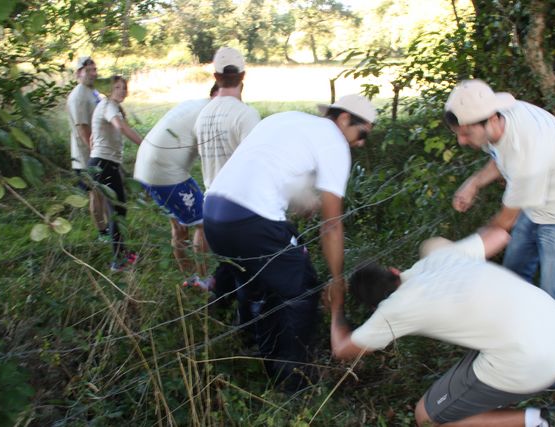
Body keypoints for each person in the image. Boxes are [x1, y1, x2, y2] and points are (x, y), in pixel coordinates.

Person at [202, 94, 376, 390]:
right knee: (302, 288)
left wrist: (299, 200)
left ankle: (251, 352)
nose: (361, 143)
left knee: (255, 280)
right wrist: (335, 280)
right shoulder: (334, 143)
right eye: (362, 134)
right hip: (251, 220)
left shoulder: (287, 119)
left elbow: (265, 168)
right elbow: (332, 225)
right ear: (345, 119)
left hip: (214, 214)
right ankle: (293, 381)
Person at [444, 79, 555, 390]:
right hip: (537, 208)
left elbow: (503, 223)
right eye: (459, 134)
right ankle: (515, 342)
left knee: (554, 295)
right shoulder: (502, 121)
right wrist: (475, 183)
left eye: (467, 133)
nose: (462, 141)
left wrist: (466, 254)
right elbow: (499, 156)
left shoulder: (527, 149)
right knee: (515, 274)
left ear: (491, 119)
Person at [328, 228, 555, 426]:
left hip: (535, 362)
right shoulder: (439, 258)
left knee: (426, 417)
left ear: (374, 309)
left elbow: (342, 350)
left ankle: (544, 419)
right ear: (394, 271)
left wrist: (336, 305)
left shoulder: (392, 311)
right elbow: (499, 235)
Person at [134, 83, 219, 287]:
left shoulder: (194, 104)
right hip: (165, 171)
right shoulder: (210, 115)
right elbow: (211, 158)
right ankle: (204, 281)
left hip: (145, 167)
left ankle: (189, 280)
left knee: (179, 226)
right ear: (217, 95)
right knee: (203, 223)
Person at [193, 47, 261, 295]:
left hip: (211, 209)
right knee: (248, 274)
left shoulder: (203, 115)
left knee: (227, 267)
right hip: (239, 209)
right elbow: (256, 167)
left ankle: (218, 312)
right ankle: (246, 326)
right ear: (243, 75)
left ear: (216, 77)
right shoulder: (246, 115)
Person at [89, 76, 143, 272]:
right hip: (105, 165)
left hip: (103, 163)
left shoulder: (105, 105)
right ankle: (118, 262)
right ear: (109, 90)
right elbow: (120, 126)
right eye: (117, 87)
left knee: (119, 210)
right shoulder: (109, 105)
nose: (122, 91)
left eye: (124, 87)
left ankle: (122, 253)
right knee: (117, 212)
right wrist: (144, 144)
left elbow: (95, 136)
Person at [66, 56, 109, 240]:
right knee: (96, 194)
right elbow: (82, 129)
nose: (93, 73)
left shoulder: (92, 91)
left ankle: (112, 225)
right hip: (86, 156)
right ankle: (102, 232)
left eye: (94, 69)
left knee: (104, 192)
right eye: (88, 70)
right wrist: (94, 153)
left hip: (100, 150)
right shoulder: (78, 96)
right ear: (78, 73)